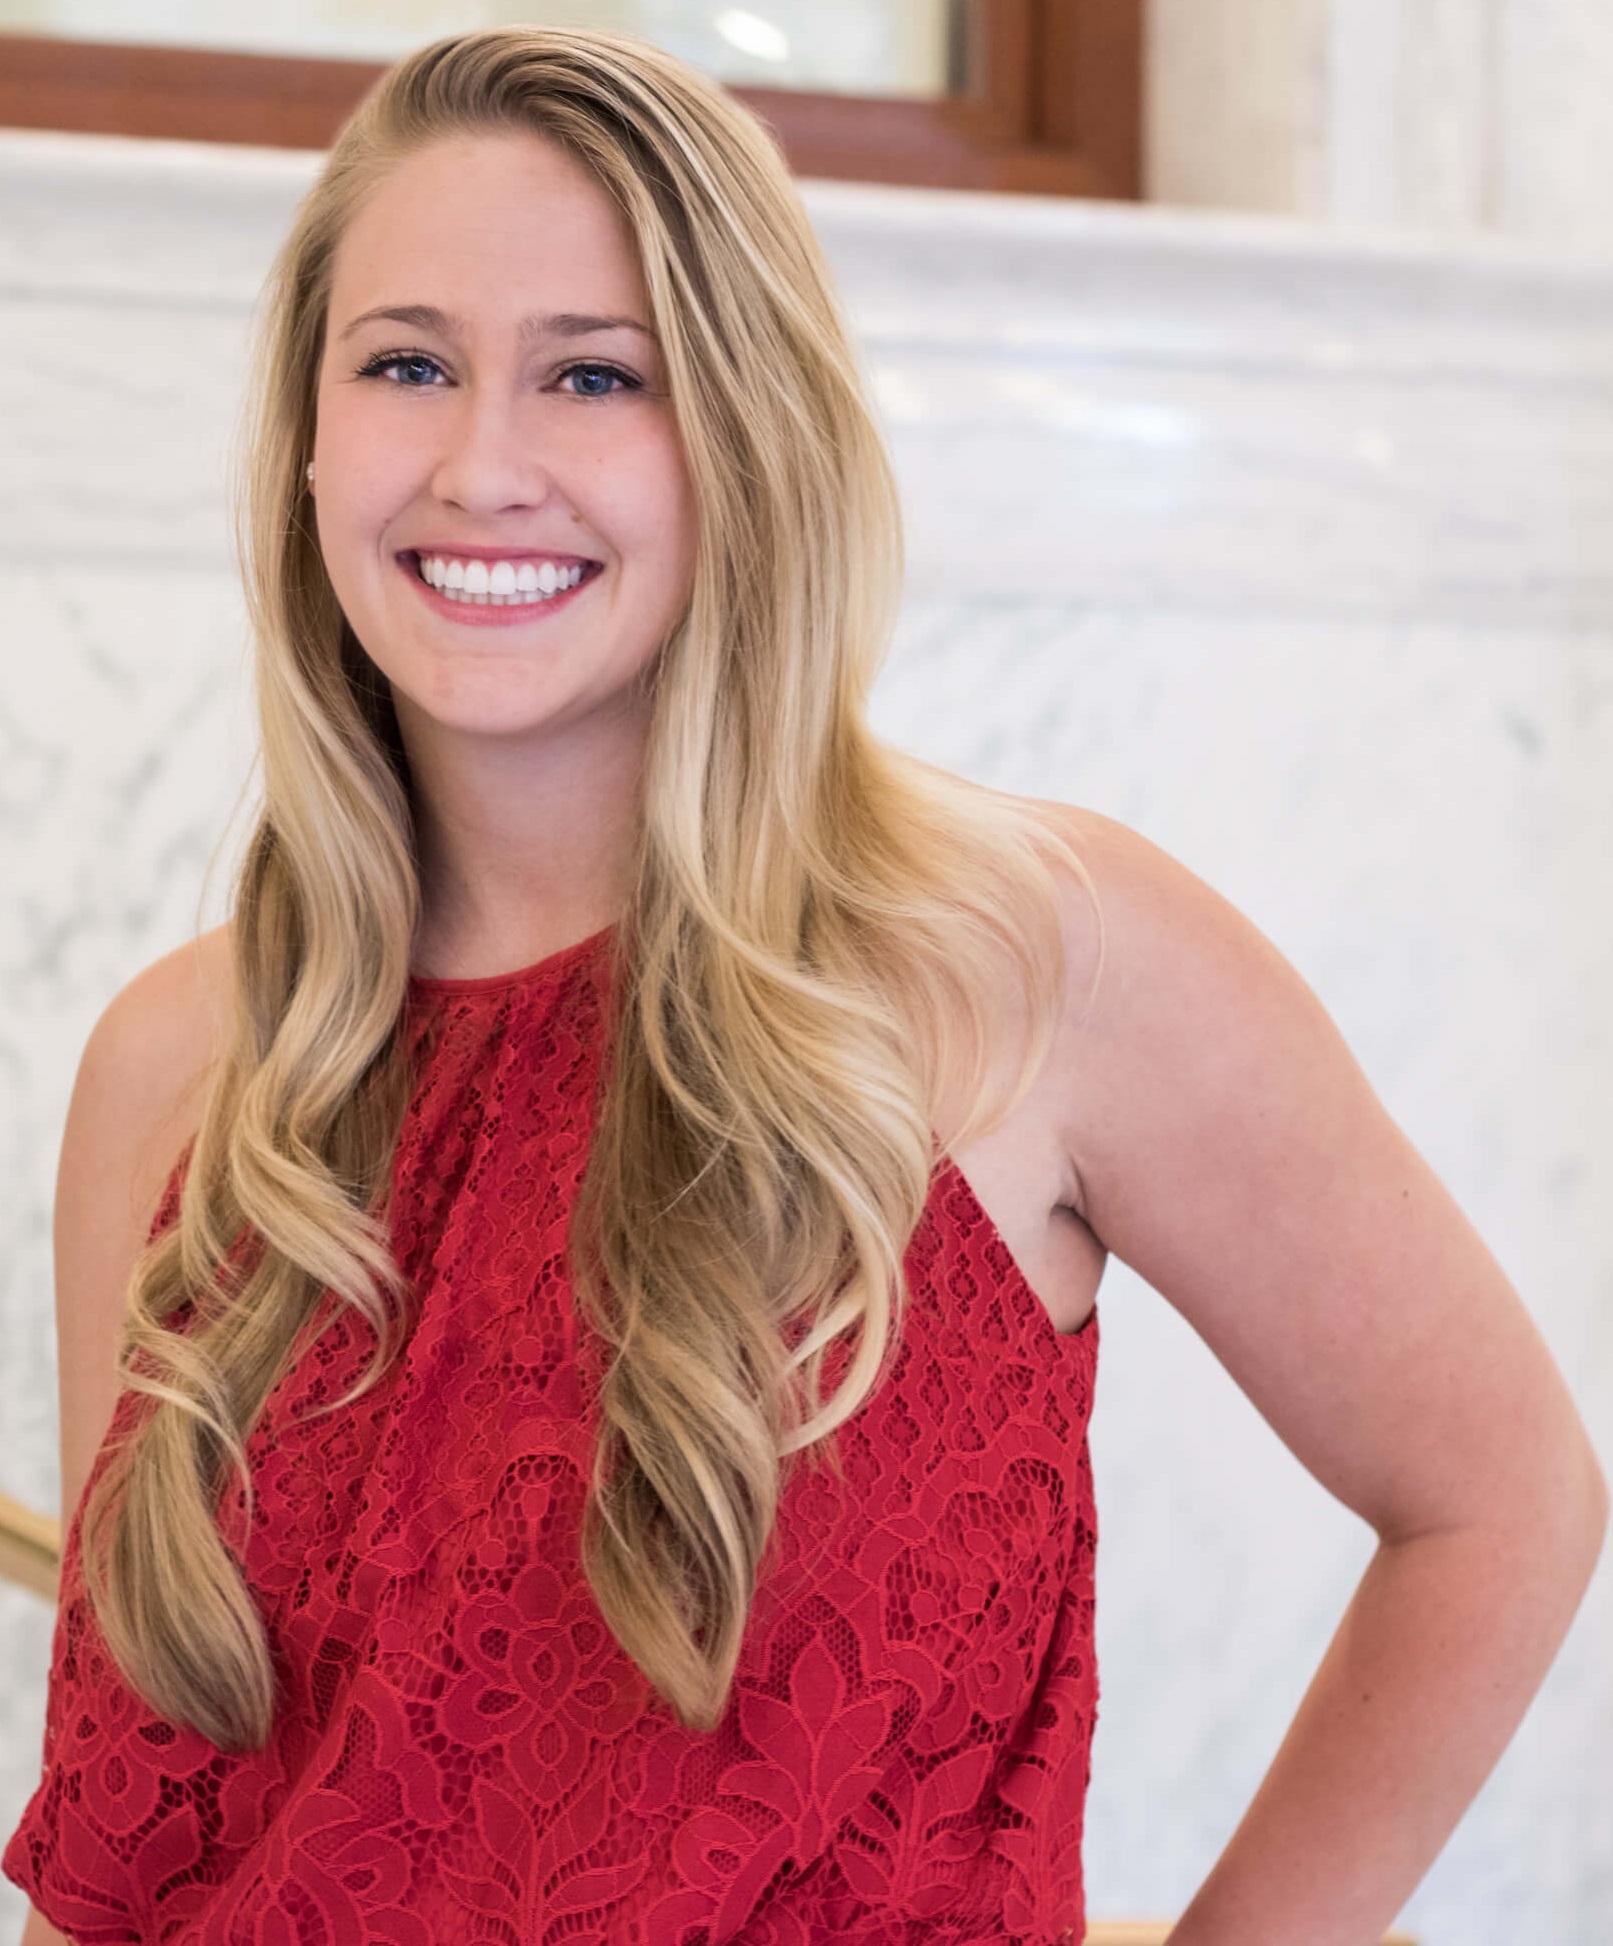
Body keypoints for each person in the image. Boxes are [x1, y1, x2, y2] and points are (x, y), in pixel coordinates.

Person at [4, 24, 1605, 1946]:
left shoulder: (1036, 962)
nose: (480, 462)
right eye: (406, 362)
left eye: (595, 374)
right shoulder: (182, 1069)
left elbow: (1496, 1500)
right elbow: (133, 1857)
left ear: (743, 435)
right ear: (310, 439)